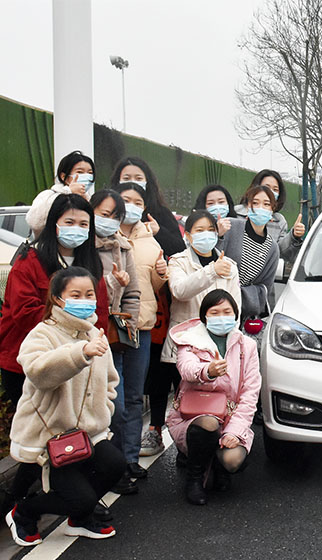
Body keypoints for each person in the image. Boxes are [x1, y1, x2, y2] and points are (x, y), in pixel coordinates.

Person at [0, 194, 111, 508]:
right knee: (40, 435)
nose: (77, 229)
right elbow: (23, 312)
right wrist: (70, 325)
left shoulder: (91, 263)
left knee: (67, 433)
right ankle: (21, 500)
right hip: (28, 363)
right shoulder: (30, 261)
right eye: (69, 222)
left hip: (79, 367)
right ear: (54, 224)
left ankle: (71, 498)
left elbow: (99, 312)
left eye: (84, 224)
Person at [5, 267, 123, 545]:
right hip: (51, 436)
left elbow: (110, 381)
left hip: (88, 432)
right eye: (76, 295)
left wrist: (104, 410)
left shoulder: (95, 333)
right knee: (80, 497)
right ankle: (24, 512)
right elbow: (37, 371)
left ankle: (79, 518)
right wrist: (79, 354)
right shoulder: (43, 333)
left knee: (115, 465)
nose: (85, 300)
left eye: (89, 294)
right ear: (58, 299)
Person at [167, 290, 259, 505]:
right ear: (204, 316)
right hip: (194, 416)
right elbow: (187, 369)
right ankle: (194, 477)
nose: (221, 317)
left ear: (236, 315)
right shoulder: (188, 341)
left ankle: (218, 466)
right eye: (215, 312)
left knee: (232, 460)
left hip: (231, 417)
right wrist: (208, 371)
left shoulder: (248, 346)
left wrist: (234, 432)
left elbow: (250, 393)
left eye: (227, 312)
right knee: (208, 423)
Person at [108, 185, 170, 461]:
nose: (131, 205)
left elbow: (154, 287)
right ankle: (113, 458)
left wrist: (161, 275)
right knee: (114, 400)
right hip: (109, 328)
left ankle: (130, 460)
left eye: (138, 202)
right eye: (126, 200)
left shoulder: (151, 241)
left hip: (141, 328)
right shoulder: (105, 235)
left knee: (134, 398)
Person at [91, 190, 145, 494]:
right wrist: (113, 283)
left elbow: (133, 293)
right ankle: (106, 470)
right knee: (104, 409)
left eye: (114, 215)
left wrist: (129, 323)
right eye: (103, 212)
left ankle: (122, 466)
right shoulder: (84, 248)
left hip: (116, 338)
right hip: (89, 340)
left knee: (121, 406)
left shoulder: (125, 248)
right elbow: (85, 290)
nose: (108, 220)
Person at [161, 210, 242, 368]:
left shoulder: (229, 265)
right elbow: (180, 291)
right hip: (185, 343)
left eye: (211, 230)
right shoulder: (178, 262)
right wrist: (212, 271)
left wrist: (231, 339)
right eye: (199, 230)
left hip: (219, 344)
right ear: (189, 236)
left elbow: (236, 307)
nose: (206, 234)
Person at [218, 186, 281, 321]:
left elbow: (264, 289)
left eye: (266, 204)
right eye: (255, 203)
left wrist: (241, 296)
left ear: (272, 210)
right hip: (215, 306)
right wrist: (218, 236)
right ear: (248, 207)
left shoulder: (272, 248)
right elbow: (213, 257)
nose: (260, 208)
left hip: (242, 315)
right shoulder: (231, 227)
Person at [109, 157, 186, 257]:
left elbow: (180, 250)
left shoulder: (160, 212)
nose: (132, 182)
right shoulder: (108, 212)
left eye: (138, 178)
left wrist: (158, 232)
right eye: (126, 178)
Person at [26, 151, 95, 237]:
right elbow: (35, 222)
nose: (86, 176)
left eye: (90, 173)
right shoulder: (48, 195)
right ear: (63, 176)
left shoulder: (89, 200)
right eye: (80, 172)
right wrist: (68, 192)